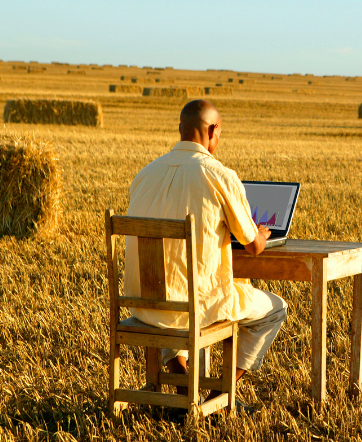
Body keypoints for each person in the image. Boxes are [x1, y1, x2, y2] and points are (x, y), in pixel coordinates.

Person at [123, 99, 287, 396]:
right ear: (214, 130)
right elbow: (253, 247)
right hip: (195, 307)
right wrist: (261, 233)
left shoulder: (144, 175)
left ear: (180, 130)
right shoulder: (219, 175)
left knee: (172, 302)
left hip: (143, 302)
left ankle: (185, 386)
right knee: (276, 309)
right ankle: (223, 392)